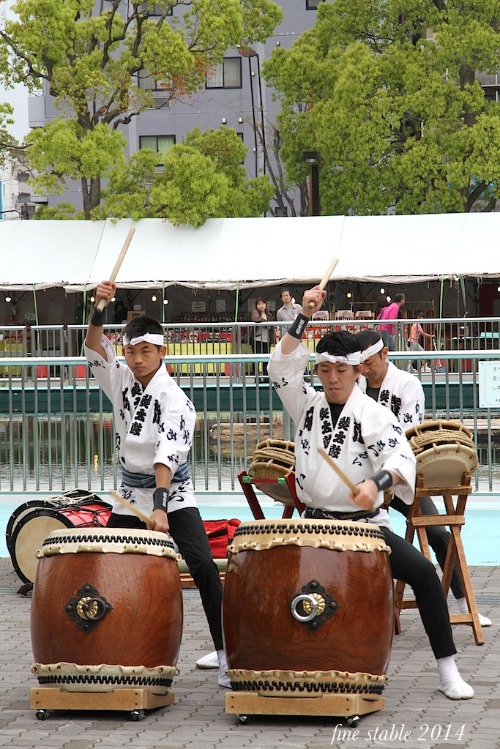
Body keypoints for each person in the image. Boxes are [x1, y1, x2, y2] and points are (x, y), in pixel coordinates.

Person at [267, 284, 474, 701]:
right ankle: (245, 655)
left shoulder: (374, 414)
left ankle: (448, 669)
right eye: (324, 370)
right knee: (263, 575)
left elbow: (401, 463)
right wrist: (303, 315)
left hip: (365, 528)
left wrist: (373, 485)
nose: (332, 379)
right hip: (315, 526)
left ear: (358, 371)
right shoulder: (306, 405)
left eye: (341, 371)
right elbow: (281, 368)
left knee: (425, 577)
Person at [84, 279, 230, 688]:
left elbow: (168, 455)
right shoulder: (123, 379)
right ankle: (106, 649)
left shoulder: (176, 400)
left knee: (201, 564)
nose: (136, 359)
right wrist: (99, 307)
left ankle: (226, 654)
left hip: (173, 493)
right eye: (130, 351)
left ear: (162, 351)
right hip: (131, 494)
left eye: (145, 351)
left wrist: (162, 507)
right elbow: (95, 348)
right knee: (106, 565)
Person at [355, 329, 491, 628]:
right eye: (360, 363)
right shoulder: (356, 386)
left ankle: (461, 603)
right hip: (362, 478)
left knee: (440, 533)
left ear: (384, 354)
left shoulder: (407, 384)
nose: (364, 369)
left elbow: (406, 436)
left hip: (398, 477)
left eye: (368, 361)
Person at [250, 297, 274, 377]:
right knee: (256, 359)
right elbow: (256, 319)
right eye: (259, 304)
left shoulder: (269, 314)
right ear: (256, 305)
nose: (261, 306)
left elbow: (271, 327)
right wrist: (266, 323)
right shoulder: (255, 312)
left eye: (263, 304)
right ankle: (256, 377)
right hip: (257, 339)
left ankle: (266, 376)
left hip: (267, 339)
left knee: (266, 359)